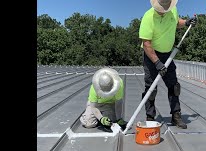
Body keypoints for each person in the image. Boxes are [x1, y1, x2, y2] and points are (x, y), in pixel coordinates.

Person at [139, 0, 197, 129]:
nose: (164, 10)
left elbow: (176, 22)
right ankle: (150, 117)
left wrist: (186, 22)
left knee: (174, 86)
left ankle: (176, 116)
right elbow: (146, 44)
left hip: (168, 55)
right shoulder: (148, 18)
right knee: (151, 89)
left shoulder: (172, 10)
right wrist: (157, 62)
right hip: (151, 56)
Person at [80, 67, 128, 132]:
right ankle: (94, 116)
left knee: (111, 121)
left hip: (109, 104)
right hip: (96, 105)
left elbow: (118, 103)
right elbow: (93, 107)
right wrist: (101, 118)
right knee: (89, 123)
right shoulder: (94, 88)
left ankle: (100, 117)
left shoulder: (119, 84)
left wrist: (119, 119)